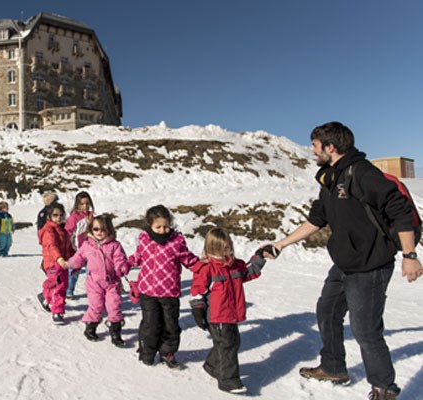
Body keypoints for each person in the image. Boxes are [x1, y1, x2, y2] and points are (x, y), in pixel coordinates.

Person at [265, 122, 422, 400]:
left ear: (330, 147)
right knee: (327, 312)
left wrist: (410, 255)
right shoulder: (330, 177)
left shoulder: (362, 173)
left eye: (315, 145)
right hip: (344, 263)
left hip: (371, 265)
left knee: (366, 331)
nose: (311, 150)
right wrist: (281, 244)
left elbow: (400, 210)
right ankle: (333, 366)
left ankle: (385, 388)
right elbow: (317, 219)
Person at [190, 228, 268, 394]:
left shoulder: (235, 265)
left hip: (231, 313)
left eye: (229, 247)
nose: (228, 251)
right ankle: (228, 380)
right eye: (223, 248)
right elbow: (198, 290)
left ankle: (212, 366)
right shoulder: (207, 268)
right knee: (227, 345)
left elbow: (249, 271)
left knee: (231, 343)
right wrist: (198, 310)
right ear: (212, 249)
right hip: (217, 315)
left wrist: (260, 257)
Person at [127, 205, 199, 367]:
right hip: (148, 293)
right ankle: (147, 351)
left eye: (166, 226)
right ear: (150, 225)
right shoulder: (145, 241)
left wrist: (204, 268)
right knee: (150, 325)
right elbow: (137, 257)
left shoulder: (176, 242)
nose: (162, 230)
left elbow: (190, 260)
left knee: (170, 326)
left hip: (170, 293)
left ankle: (167, 353)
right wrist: (125, 264)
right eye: (158, 227)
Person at [65, 214, 129, 347]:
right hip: (94, 282)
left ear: (110, 230)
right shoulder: (87, 245)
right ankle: (90, 327)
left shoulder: (114, 245)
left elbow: (120, 259)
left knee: (114, 305)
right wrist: (68, 264)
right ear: (91, 229)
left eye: (103, 229)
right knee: (96, 305)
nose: (100, 232)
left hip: (112, 281)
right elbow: (78, 258)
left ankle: (115, 332)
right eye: (96, 229)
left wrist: (121, 267)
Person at [37, 203, 75, 324]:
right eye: (55, 215)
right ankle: (57, 311)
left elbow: (68, 246)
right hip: (53, 263)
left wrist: (76, 257)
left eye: (61, 215)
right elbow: (52, 246)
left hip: (62, 263)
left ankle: (45, 295)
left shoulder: (62, 230)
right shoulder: (49, 231)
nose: (58, 218)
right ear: (49, 216)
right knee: (59, 286)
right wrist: (59, 258)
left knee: (62, 284)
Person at [65, 191, 94, 299]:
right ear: (77, 204)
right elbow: (68, 232)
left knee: (91, 270)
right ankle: (69, 289)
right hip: (76, 248)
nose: (85, 206)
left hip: (90, 249)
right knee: (74, 270)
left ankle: (93, 290)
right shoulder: (74, 217)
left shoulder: (91, 216)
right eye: (82, 204)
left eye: (87, 203)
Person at [36, 192, 59, 273]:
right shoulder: (43, 213)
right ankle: (46, 266)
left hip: (55, 234)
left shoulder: (56, 211)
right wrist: (41, 238)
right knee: (49, 252)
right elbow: (40, 227)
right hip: (46, 236)